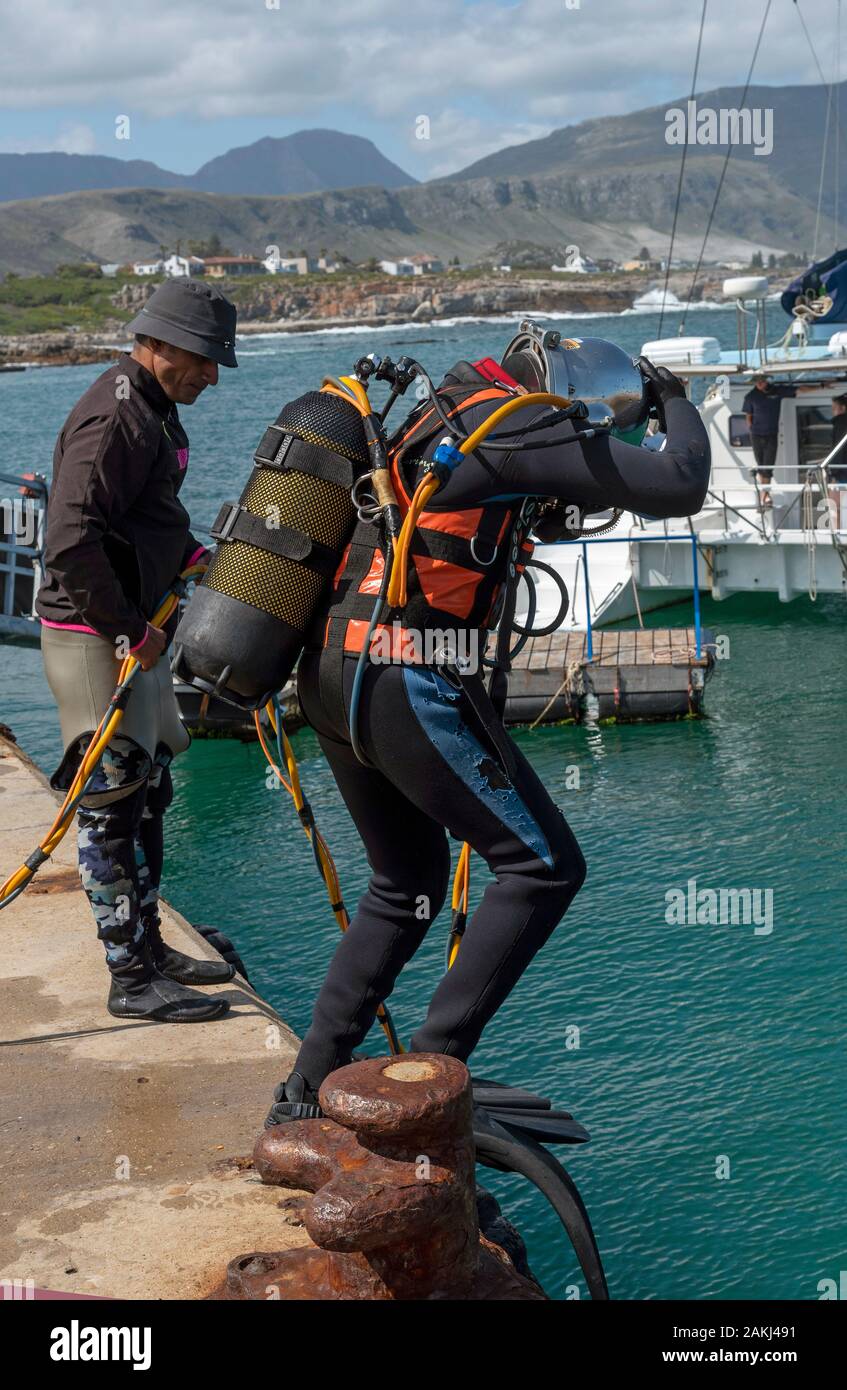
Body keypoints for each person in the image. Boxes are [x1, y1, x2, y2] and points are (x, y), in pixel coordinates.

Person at [264, 341, 712, 1124]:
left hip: (334, 672)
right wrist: (675, 399)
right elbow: (679, 485)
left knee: (404, 885)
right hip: (406, 673)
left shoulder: (448, 409)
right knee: (542, 868)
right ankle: (431, 1081)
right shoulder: (522, 428)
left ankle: (305, 1091)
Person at [36, 278, 239, 1023]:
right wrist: (130, 630)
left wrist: (188, 557)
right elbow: (69, 540)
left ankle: (150, 946)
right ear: (159, 344)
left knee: (150, 785)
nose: (213, 375)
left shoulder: (151, 407)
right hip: (98, 636)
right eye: (206, 359)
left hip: (132, 631)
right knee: (111, 801)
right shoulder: (116, 414)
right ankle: (129, 978)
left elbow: (138, 519)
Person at [742, 373, 815, 507]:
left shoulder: (777, 391)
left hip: (771, 434)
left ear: (766, 381)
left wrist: (821, 386)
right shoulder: (750, 396)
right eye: (756, 382)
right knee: (761, 466)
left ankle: (764, 496)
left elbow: (798, 390)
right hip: (756, 435)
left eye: (761, 381)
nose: (759, 384)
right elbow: (748, 417)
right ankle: (765, 496)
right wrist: (752, 430)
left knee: (768, 466)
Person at [829, 392, 847, 482]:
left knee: (841, 495)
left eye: (834, 408)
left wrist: (833, 471)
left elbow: (839, 448)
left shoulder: (841, 422)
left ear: (843, 408)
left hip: (843, 472)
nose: (832, 412)